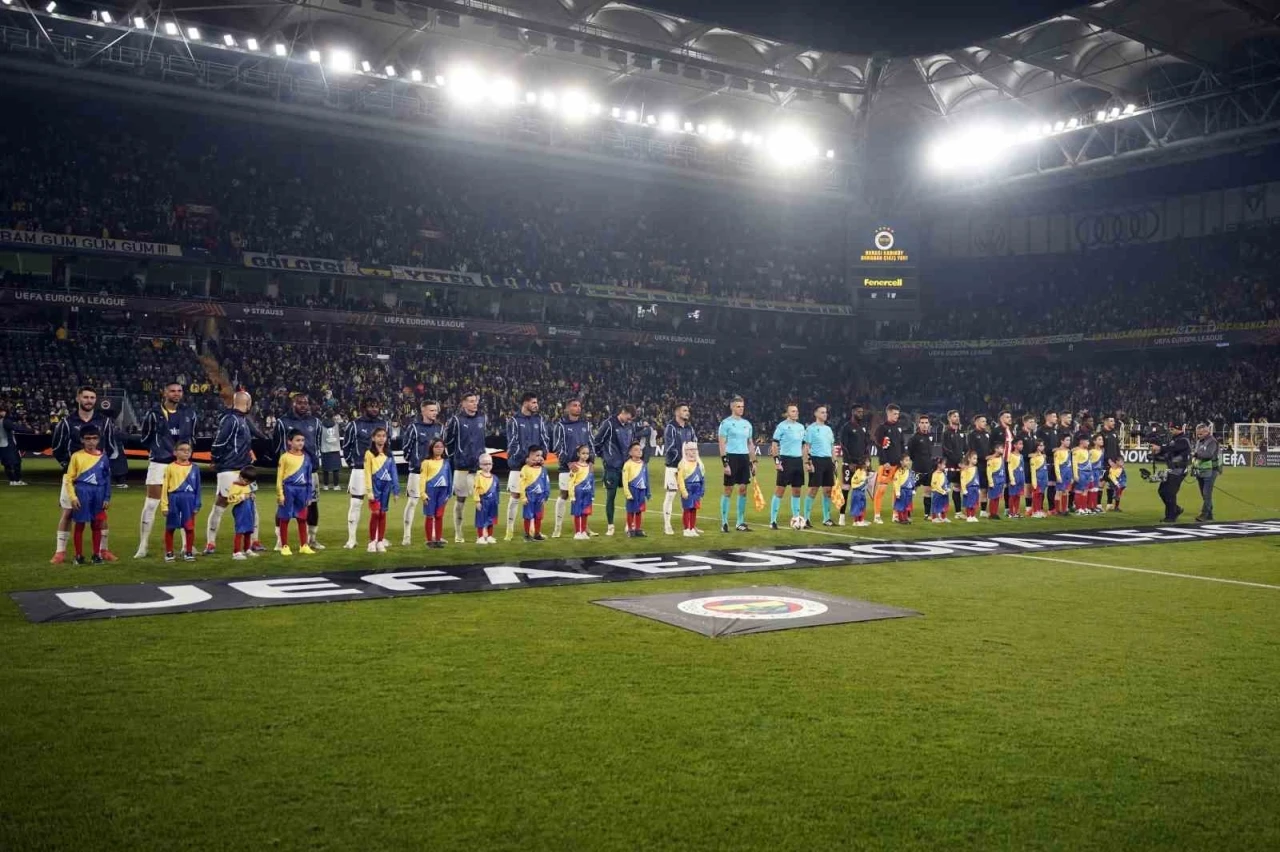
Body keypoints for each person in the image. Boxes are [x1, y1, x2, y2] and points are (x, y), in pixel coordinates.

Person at [51, 387, 117, 564]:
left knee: (101, 515)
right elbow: (57, 448)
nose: (89, 400)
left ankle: (103, 550)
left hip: (98, 480)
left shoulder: (104, 421)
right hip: (74, 478)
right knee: (68, 513)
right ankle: (60, 552)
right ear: (78, 398)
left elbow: (111, 446)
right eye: (85, 397)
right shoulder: (67, 422)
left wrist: (101, 465)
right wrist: (69, 466)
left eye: (92, 397)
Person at [136, 381, 200, 559]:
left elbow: (193, 436)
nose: (176, 393)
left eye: (179, 391)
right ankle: (143, 545)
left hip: (182, 465)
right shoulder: (154, 414)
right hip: (160, 463)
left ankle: (187, 546)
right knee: (151, 504)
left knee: (184, 505)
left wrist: (184, 453)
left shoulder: (189, 413)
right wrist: (158, 450)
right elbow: (145, 438)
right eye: (172, 391)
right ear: (164, 393)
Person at [205, 390, 268, 556]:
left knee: (251, 504)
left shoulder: (243, 419)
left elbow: (256, 436)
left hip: (244, 469)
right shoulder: (230, 419)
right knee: (221, 503)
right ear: (248, 403)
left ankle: (254, 541)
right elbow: (219, 442)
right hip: (229, 469)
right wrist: (215, 459)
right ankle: (210, 543)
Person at [274, 393, 331, 551]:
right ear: (292, 404)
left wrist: (314, 462)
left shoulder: (315, 422)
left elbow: (317, 445)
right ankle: (280, 541)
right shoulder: (283, 422)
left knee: (312, 505)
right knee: (283, 505)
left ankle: (312, 539)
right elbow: (277, 446)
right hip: (289, 474)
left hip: (310, 472)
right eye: (299, 403)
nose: (303, 406)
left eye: (306, 403)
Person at [342, 399, 391, 549]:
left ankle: (377, 538)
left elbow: (387, 446)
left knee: (379, 507)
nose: (374, 409)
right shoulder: (354, 425)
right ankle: (351, 539)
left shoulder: (384, 423)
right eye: (371, 406)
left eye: (376, 406)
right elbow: (346, 447)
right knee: (356, 503)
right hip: (360, 470)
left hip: (379, 471)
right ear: (363, 408)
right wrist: (353, 463)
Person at [59, 424, 111, 565]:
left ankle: (96, 555)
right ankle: (78, 556)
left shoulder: (103, 457)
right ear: (82, 440)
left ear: (98, 440)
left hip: (98, 493)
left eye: (94, 438)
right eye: (87, 439)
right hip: (82, 492)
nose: (91, 442)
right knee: (80, 524)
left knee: (97, 525)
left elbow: (107, 479)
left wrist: (107, 497)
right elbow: (69, 478)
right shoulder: (76, 456)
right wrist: (73, 497)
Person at [504, 393, 550, 542]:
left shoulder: (539, 420)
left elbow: (545, 439)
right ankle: (509, 530)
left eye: (537, 402)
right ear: (525, 403)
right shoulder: (514, 421)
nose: (536, 405)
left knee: (536, 498)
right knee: (515, 496)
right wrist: (525, 459)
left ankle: (533, 532)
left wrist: (542, 456)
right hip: (518, 465)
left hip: (536, 466)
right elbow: (512, 443)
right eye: (533, 402)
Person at [444, 392, 488, 543]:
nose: (474, 403)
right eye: (470, 401)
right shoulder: (456, 420)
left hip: (478, 468)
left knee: (482, 500)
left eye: (475, 401)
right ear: (463, 404)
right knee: (460, 500)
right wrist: (457, 458)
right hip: (462, 467)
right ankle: (458, 533)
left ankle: (482, 534)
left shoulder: (482, 418)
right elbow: (448, 442)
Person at [401, 400, 444, 546]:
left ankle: (434, 535)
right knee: (412, 502)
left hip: (434, 473)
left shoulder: (440, 428)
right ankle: (407, 536)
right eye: (431, 410)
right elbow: (406, 448)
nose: (435, 413)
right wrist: (415, 462)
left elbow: (442, 448)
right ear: (423, 411)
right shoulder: (414, 427)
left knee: (433, 504)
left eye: (435, 410)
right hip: (417, 472)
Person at [553, 398, 595, 538]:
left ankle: (584, 528)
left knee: (584, 495)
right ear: (567, 408)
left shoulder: (586, 425)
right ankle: (557, 528)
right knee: (564, 494)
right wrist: (569, 463)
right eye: (574, 405)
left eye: (579, 405)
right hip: (567, 468)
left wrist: (591, 461)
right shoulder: (561, 426)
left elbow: (591, 444)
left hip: (583, 467)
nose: (578, 408)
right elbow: (557, 447)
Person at [594, 405, 636, 536]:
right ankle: (610, 526)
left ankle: (629, 523)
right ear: (623, 412)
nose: (629, 420)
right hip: (612, 467)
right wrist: (606, 457)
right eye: (629, 417)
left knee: (630, 495)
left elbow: (632, 444)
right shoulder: (609, 424)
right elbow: (597, 442)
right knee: (610, 496)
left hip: (627, 467)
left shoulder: (630, 426)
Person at [718, 396, 757, 533]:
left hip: (744, 458)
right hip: (731, 457)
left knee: (743, 489)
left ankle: (740, 522)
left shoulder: (747, 424)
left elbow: (750, 444)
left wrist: (754, 461)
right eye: (738, 406)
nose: (741, 409)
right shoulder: (725, 423)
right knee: (728, 490)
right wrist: (725, 463)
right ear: (732, 407)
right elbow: (722, 444)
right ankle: (724, 522)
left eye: (742, 406)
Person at [158, 440, 201, 563]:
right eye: (182, 450)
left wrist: (197, 504)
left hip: (189, 500)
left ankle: (188, 551)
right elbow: (165, 487)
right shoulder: (170, 467)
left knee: (189, 527)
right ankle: (169, 552)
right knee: (171, 527)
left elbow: (198, 488)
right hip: (174, 499)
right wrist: (164, 505)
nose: (186, 452)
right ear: (175, 452)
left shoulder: (195, 468)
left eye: (188, 450)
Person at [277, 429, 316, 556]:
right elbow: (279, 477)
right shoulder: (284, 457)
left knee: (302, 518)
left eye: (302, 440)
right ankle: (284, 546)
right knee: (285, 518)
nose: (301, 443)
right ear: (289, 442)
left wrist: (309, 495)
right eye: (297, 440)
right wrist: (280, 494)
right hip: (288, 490)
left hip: (302, 491)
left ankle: (304, 545)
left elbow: (309, 479)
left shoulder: (307, 458)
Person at [660, 403, 697, 536]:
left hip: (688, 467)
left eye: (688, 410)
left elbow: (694, 444)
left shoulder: (689, 428)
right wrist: (683, 460)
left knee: (689, 496)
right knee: (671, 495)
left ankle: (690, 525)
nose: (687, 412)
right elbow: (670, 448)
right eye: (684, 410)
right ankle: (667, 525)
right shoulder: (671, 427)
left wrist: (693, 461)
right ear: (677, 413)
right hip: (674, 466)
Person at [769, 404, 806, 530]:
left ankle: (796, 518)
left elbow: (804, 445)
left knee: (797, 491)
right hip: (786, 460)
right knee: (780, 490)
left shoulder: (801, 427)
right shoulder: (782, 426)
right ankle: (773, 520)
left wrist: (807, 461)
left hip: (798, 461)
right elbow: (774, 445)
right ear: (787, 413)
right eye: (793, 411)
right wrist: (777, 461)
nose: (796, 413)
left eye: (797, 411)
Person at [364, 426, 399, 553]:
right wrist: (369, 491)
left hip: (386, 488)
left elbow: (393, 472)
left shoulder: (389, 454)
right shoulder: (369, 453)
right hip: (375, 487)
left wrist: (396, 490)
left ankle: (380, 541)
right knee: (375, 513)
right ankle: (372, 541)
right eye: (378, 436)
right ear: (373, 438)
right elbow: (367, 473)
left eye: (383, 436)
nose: (381, 438)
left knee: (383, 514)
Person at [871, 404, 906, 525]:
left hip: (898, 465)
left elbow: (902, 445)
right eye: (894, 414)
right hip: (886, 465)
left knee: (897, 490)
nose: (897, 416)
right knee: (881, 490)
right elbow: (879, 446)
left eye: (898, 414)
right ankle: (877, 516)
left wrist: (903, 460)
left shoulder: (899, 428)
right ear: (888, 413)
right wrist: (884, 461)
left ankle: (895, 515)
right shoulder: (882, 428)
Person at [837, 404, 872, 526]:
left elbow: (866, 445)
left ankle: (858, 518)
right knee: (846, 490)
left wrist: (868, 461)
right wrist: (849, 461)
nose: (861, 414)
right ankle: (841, 517)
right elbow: (843, 445)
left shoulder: (863, 427)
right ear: (853, 412)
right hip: (849, 464)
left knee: (860, 491)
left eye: (862, 412)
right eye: (858, 412)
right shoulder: (846, 427)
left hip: (861, 465)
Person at [802, 405, 837, 527]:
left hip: (828, 461)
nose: (825, 414)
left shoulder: (828, 429)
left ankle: (826, 519)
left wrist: (835, 461)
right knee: (813, 489)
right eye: (822, 412)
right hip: (816, 460)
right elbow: (806, 447)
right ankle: (806, 518)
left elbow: (832, 446)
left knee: (828, 490)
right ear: (816, 414)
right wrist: (807, 462)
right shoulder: (811, 429)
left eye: (825, 412)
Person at [1151, 423, 1191, 522]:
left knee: (1170, 492)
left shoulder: (1184, 440)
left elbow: (1173, 448)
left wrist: (1160, 448)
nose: (1170, 431)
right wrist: (1156, 455)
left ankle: (1171, 516)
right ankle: (1175, 509)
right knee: (1162, 491)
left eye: (1172, 429)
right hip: (1171, 469)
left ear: (1179, 429)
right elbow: (1169, 452)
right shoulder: (1175, 439)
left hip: (1179, 469)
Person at [420, 438, 452, 549]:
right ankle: (429, 541)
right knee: (430, 515)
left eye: (441, 447)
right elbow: (422, 479)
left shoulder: (446, 462)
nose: (439, 449)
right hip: (430, 491)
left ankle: (438, 539)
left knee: (439, 515)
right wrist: (423, 494)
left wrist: (449, 493)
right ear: (431, 448)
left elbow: (449, 478)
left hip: (443, 492)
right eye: (436, 447)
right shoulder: (426, 462)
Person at [514, 445, 550, 541]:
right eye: (537, 455)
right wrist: (523, 497)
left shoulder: (543, 469)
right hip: (529, 497)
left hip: (540, 497)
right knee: (528, 516)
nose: (540, 457)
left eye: (541, 455)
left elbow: (546, 482)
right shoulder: (525, 469)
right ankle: (527, 535)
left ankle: (537, 534)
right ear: (529, 456)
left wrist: (546, 495)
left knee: (538, 516)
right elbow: (521, 484)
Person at [225, 466, 259, 560]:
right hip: (240, 510)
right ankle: (236, 552)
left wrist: (252, 496)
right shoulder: (235, 486)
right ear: (240, 476)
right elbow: (230, 498)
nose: (247, 483)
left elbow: (248, 493)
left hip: (249, 509)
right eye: (246, 481)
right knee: (240, 530)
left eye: (249, 482)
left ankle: (247, 549)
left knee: (248, 530)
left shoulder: (247, 485)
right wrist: (242, 496)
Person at [966, 414, 994, 519]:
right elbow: (972, 450)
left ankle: (983, 511)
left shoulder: (987, 434)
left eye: (985, 421)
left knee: (984, 489)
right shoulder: (972, 435)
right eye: (983, 421)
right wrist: (983, 457)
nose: (985, 423)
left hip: (987, 465)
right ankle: (971, 511)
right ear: (976, 422)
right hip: (977, 465)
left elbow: (990, 448)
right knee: (973, 489)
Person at [906, 414, 934, 519]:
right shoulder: (914, 438)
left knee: (928, 492)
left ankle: (927, 514)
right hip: (917, 470)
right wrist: (916, 461)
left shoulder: (930, 437)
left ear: (929, 424)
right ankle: (907, 514)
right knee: (911, 492)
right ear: (918, 424)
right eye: (922, 423)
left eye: (926, 423)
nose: (924, 425)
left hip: (928, 470)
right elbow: (909, 453)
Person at [1191, 423, 1220, 521]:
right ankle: (1209, 514)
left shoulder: (1212, 441)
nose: (1198, 436)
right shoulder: (1199, 441)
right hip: (1201, 470)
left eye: (1200, 434)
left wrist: (1196, 454)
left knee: (1206, 493)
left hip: (1211, 470)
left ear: (1207, 432)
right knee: (1204, 494)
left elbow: (1209, 455)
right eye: (1198, 434)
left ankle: (1204, 514)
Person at [621, 441, 650, 538]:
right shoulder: (627, 464)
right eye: (636, 450)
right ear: (630, 453)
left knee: (639, 510)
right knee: (630, 510)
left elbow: (646, 478)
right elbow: (624, 480)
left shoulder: (643, 464)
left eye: (640, 449)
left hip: (642, 490)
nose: (639, 451)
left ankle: (638, 529)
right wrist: (627, 493)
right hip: (632, 490)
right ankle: (630, 529)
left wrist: (648, 491)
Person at [940, 409, 966, 516]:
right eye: (954, 416)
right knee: (944, 489)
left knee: (957, 488)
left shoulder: (961, 433)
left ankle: (958, 512)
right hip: (949, 465)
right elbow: (946, 450)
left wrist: (964, 461)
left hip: (960, 465)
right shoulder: (946, 433)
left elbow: (965, 448)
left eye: (958, 416)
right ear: (949, 418)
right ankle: (941, 513)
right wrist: (958, 461)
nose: (957, 418)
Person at [677, 441, 705, 537]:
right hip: (688, 489)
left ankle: (692, 528)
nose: (693, 452)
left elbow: (702, 478)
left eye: (695, 450)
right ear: (686, 451)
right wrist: (683, 491)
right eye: (690, 450)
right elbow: (680, 479)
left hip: (697, 490)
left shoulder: (699, 464)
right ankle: (686, 529)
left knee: (694, 509)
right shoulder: (682, 464)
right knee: (687, 509)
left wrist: (702, 490)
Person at [0, 404, 33, 485]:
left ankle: (12, 480)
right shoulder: (6, 421)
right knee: (17, 462)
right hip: (9, 444)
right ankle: (17, 480)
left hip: (2, 445)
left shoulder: (2, 421)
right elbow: (16, 428)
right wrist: (29, 430)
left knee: (7, 464)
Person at [568, 444, 595, 540]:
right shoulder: (574, 466)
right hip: (578, 493)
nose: (585, 455)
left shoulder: (590, 466)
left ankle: (583, 531)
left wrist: (592, 494)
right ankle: (577, 532)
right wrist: (572, 495)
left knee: (585, 513)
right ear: (578, 454)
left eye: (587, 453)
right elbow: (571, 482)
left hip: (587, 494)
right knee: (577, 513)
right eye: (583, 453)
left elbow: (592, 481)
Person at [472, 453, 500, 544]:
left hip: (493, 502)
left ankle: (489, 536)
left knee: (491, 519)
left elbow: (497, 490)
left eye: (489, 464)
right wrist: (477, 501)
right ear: (480, 465)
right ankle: (480, 537)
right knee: (481, 519)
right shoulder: (478, 477)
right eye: (485, 464)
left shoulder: (495, 478)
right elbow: (475, 490)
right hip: (483, 501)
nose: (487, 466)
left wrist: (497, 500)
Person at [1037, 411, 1061, 513]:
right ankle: (1039, 508)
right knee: (1042, 485)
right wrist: (1051, 450)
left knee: (1052, 485)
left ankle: (1052, 508)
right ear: (1047, 417)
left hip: (1054, 461)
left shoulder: (1055, 430)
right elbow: (1038, 446)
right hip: (1043, 461)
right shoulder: (1040, 430)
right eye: (1054, 416)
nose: (1056, 418)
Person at [1016, 414, 1038, 513]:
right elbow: (1017, 451)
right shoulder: (1020, 435)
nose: (1033, 424)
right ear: (1024, 423)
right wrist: (1028, 455)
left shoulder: (1033, 435)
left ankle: (1035, 506)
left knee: (1034, 484)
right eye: (1030, 422)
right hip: (1024, 463)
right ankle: (1028, 507)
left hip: (1034, 463)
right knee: (1027, 484)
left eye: (1034, 422)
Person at [1100, 415, 1122, 508]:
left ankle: (1109, 504)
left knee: (1112, 483)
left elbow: (1117, 448)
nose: (1114, 423)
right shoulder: (1101, 434)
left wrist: (1120, 460)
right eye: (1111, 421)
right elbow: (1101, 450)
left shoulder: (1114, 433)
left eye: (1114, 421)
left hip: (1115, 463)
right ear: (1106, 422)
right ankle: (1098, 504)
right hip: (1105, 463)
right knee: (1101, 483)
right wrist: (1108, 460)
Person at [319, 414, 343, 490]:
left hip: (325, 449)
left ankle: (325, 485)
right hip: (335, 449)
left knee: (325, 470)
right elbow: (343, 428)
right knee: (336, 469)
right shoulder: (337, 424)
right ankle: (336, 485)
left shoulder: (321, 425)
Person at [1071, 434, 1093, 516]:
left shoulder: (1086, 451)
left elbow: (1089, 463)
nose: (1088, 443)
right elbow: (1074, 463)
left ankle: (1084, 507)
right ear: (1081, 441)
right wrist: (1075, 475)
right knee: (1079, 490)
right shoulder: (1076, 451)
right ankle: (1078, 508)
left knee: (1085, 490)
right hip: (1081, 472)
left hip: (1088, 473)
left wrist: (1091, 474)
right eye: (1087, 441)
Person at [1053, 433, 1074, 515]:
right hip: (1062, 474)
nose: (1069, 442)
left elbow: (1070, 464)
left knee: (1066, 491)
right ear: (1062, 441)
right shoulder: (1058, 452)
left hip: (1068, 474)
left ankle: (1065, 510)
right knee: (1058, 492)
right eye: (1067, 440)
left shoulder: (1068, 451)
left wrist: (1071, 476)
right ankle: (1057, 510)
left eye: (1069, 440)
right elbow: (1056, 465)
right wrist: (1058, 476)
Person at [1005, 437, 1025, 519]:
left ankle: (1016, 512)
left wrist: (1023, 479)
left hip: (1021, 478)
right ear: (1015, 445)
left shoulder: (1021, 456)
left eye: (1022, 444)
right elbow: (1010, 468)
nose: (1022, 445)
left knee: (1018, 495)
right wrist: (1012, 479)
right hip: (1014, 478)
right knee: (1012, 495)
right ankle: (1011, 513)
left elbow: (1022, 468)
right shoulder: (1011, 456)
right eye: (1020, 444)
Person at [891, 457, 915, 524]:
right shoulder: (899, 471)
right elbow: (896, 482)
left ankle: (905, 518)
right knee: (901, 505)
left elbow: (912, 480)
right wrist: (897, 492)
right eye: (906, 460)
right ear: (901, 462)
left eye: (909, 460)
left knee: (906, 505)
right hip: (902, 490)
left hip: (909, 491)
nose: (908, 462)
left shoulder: (910, 471)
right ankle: (901, 519)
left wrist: (913, 489)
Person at [1028, 440, 1049, 517]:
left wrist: (1046, 480)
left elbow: (1045, 469)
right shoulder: (1033, 458)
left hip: (1043, 479)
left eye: (1043, 445)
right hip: (1037, 479)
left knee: (1040, 495)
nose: (1042, 447)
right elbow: (1033, 471)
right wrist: (1034, 483)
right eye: (1040, 445)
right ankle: (1035, 511)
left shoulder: (1043, 456)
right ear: (1036, 447)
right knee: (1036, 495)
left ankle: (1039, 510)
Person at [986, 449, 1007, 519]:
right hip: (994, 481)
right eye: (1001, 448)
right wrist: (990, 482)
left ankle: (995, 513)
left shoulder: (1001, 459)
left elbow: (1003, 471)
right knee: (993, 498)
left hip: (1000, 482)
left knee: (997, 498)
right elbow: (989, 472)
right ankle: (992, 514)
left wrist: (1004, 481)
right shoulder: (991, 460)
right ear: (996, 449)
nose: (1003, 449)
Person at [960, 451, 981, 522]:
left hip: (975, 488)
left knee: (974, 503)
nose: (976, 460)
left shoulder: (976, 468)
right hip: (969, 488)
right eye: (974, 458)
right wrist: (964, 489)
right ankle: (969, 516)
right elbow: (963, 480)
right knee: (969, 503)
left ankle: (973, 516)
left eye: (976, 459)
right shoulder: (965, 469)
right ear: (969, 459)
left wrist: (978, 488)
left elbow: (977, 478)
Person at [929, 457, 950, 523]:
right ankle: (934, 518)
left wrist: (947, 488)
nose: (945, 466)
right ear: (939, 465)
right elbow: (935, 484)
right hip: (937, 493)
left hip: (944, 493)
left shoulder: (943, 473)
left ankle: (943, 517)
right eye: (944, 464)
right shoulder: (935, 474)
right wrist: (942, 491)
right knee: (936, 505)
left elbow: (946, 482)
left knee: (944, 505)